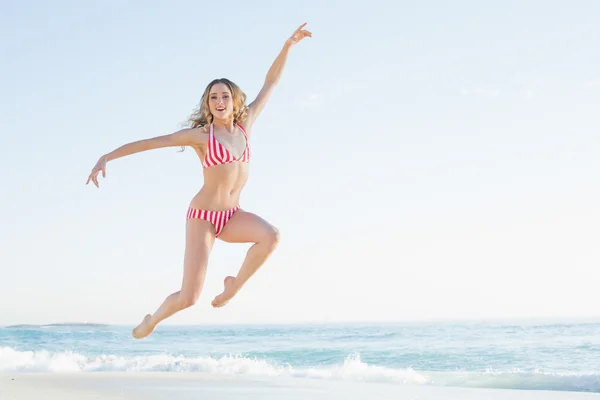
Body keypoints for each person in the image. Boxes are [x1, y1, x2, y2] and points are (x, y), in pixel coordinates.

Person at [86, 23, 312, 339]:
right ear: (208, 104)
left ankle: (233, 286)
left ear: (235, 101)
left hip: (233, 216)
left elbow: (271, 82)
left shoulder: (246, 125)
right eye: (212, 97)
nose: (219, 101)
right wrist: (107, 156)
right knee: (189, 297)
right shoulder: (201, 136)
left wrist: (288, 44)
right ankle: (152, 320)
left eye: (224, 96)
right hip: (203, 218)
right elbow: (153, 142)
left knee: (271, 236)